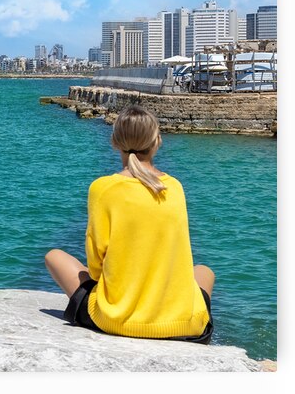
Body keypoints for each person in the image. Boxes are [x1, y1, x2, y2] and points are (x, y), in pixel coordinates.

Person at [44, 105, 214, 344]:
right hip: (186, 325)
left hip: (118, 320)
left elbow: (95, 268)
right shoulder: (174, 187)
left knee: (54, 256)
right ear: (157, 141)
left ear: (114, 142)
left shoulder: (103, 188)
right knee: (204, 271)